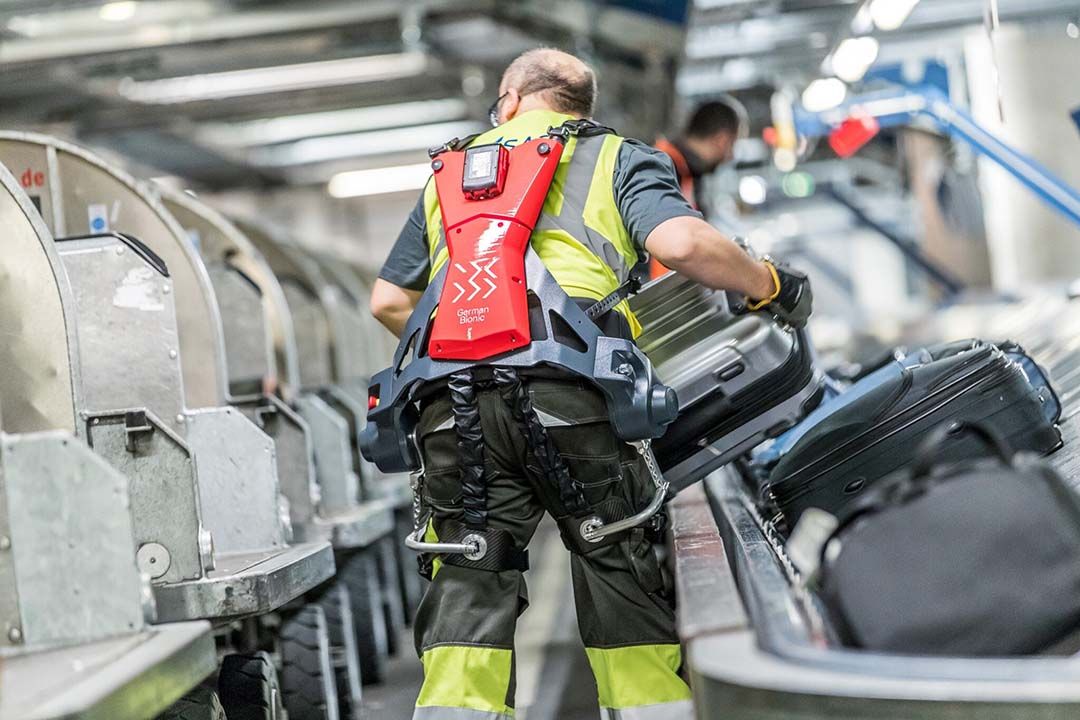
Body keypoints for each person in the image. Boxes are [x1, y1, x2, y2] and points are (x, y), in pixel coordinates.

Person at [371, 48, 810, 720]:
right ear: (580, 106)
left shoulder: (449, 174)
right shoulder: (614, 157)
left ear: (511, 100)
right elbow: (684, 245)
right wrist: (769, 284)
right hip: (570, 397)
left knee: (468, 581)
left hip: (451, 408)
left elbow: (388, 301)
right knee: (616, 564)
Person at [655, 99, 743, 213]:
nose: (731, 156)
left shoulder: (686, 171)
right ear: (721, 140)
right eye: (732, 144)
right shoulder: (663, 167)